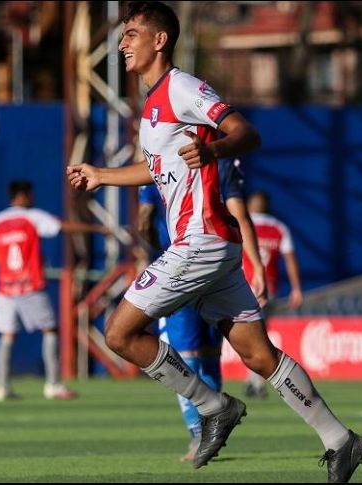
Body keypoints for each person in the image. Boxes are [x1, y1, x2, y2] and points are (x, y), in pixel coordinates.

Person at [66, 2, 362, 482]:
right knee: (257, 354)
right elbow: (158, 167)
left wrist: (215, 148)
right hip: (212, 247)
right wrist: (102, 175)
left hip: (200, 239)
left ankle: (213, 406)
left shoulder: (182, 88)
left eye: (130, 35)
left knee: (119, 333)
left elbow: (245, 132)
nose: (122, 44)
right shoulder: (151, 107)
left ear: (158, 41)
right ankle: (341, 440)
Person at [138, 157, 267, 462]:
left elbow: (144, 219)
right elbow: (239, 215)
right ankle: (212, 429)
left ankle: (199, 433)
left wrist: (158, 252)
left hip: (179, 268)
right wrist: (257, 265)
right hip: (219, 267)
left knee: (185, 356)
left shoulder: (155, 162)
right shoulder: (220, 161)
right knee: (209, 353)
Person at [0, 180, 104, 402]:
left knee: (7, 334)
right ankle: (53, 384)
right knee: (50, 330)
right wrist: (97, 229)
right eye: (30, 195)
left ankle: (2, 387)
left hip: (5, 287)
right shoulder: (32, 217)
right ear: (22, 195)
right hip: (30, 284)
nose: (33, 198)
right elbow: (62, 227)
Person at [242, 190, 305, 398]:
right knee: (259, 335)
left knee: (251, 337)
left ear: (250, 205)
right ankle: (255, 382)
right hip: (268, 289)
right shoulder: (278, 228)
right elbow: (290, 259)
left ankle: (256, 382)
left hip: (244, 287)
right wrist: (296, 288)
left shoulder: (242, 223)